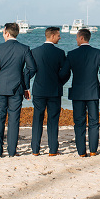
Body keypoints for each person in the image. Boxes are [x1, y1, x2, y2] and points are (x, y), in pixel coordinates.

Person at [0, 22, 37, 158]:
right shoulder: (24, 48)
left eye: (4, 32)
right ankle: (12, 151)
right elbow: (32, 68)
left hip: (0, 87)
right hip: (17, 88)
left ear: (7, 33)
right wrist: (24, 83)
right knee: (14, 120)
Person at [30, 27, 71, 157]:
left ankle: (35, 149)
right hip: (54, 91)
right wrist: (59, 82)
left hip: (39, 90)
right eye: (58, 35)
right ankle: (53, 150)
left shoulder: (35, 51)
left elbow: (30, 70)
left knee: (37, 119)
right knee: (53, 120)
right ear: (52, 36)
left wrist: (25, 86)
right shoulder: (59, 53)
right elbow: (66, 71)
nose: (60, 37)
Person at [67, 27, 100, 157]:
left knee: (79, 123)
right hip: (93, 92)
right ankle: (93, 150)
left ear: (81, 38)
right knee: (94, 122)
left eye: (77, 37)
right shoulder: (97, 53)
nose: (76, 40)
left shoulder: (71, 54)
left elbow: (64, 72)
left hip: (77, 93)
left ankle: (81, 152)